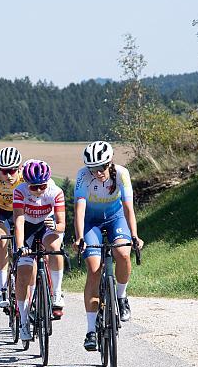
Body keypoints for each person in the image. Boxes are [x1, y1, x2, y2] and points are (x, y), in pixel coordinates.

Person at [73, 140, 144, 351]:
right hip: (90, 223)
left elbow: (128, 207)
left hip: (115, 218)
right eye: (93, 168)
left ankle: (121, 297)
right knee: (94, 270)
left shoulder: (121, 173)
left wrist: (134, 235)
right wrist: (79, 237)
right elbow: (79, 209)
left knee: (123, 252)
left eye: (102, 167)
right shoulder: (83, 176)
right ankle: (90, 330)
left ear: (110, 162)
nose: (98, 172)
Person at [13, 160, 66, 341]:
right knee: (24, 272)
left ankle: (56, 293)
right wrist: (21, 247)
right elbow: (19, 222)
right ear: (27, 183)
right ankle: (24, 321)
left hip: (46, 226)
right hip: (27, 228)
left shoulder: (55, 191)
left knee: (54, 248)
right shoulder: (19, 191)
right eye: (34, 187)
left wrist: (56, 227)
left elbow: (62, 224)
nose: (38, 191)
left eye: (42, 186)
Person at [0, 147, 24, 309]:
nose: (8, 175)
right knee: (1, 242)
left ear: (19, 167)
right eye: (4, 171)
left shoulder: (25, 177)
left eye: (12, 170)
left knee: (22, 245)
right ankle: (2, 287)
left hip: (22, 211)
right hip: (3, 212)